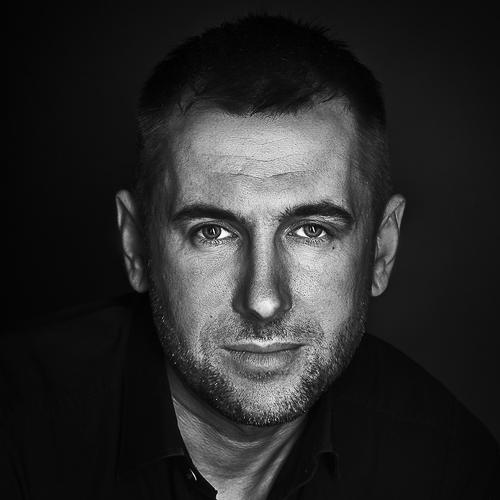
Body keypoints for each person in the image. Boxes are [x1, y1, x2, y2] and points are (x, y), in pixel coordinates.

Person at [1, 14, 498, 500]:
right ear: (136, 245)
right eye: (213, 232)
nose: (263, 301)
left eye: (311, 231)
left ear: (381, 252)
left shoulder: (449, 470)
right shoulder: (18, 426)